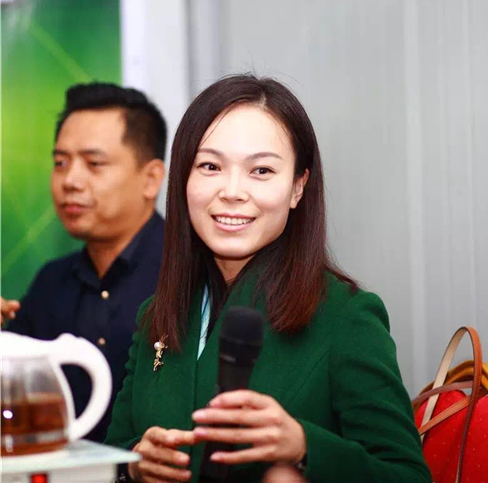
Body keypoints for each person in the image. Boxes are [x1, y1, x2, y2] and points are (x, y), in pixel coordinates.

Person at [105, 74, 431, 483]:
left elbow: (407, 475)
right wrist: (134, 465)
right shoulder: (156, 314)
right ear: (183, 179)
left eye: (261, 170)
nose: (232, 191)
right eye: (210, 166)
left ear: (297, 187)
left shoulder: (346, 316)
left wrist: (304, 447)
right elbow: (113, 455)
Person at [1, 83, 167, 443]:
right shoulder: (50, 283)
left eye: (94, 164)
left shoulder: (187, 276)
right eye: (60, 163)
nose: (71, 181)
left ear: (151, 179)